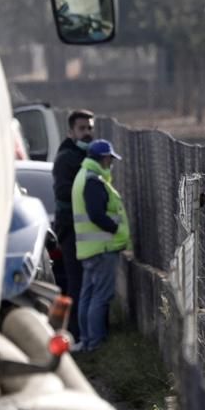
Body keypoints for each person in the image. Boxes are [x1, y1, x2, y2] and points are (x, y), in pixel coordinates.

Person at [72, 139, 131, 352]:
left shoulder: (82, 176)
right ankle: (95, 345)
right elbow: (96, 214)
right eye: (110, 159)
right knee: (101, 296)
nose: (111, 163)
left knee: (87, 295)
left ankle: (87, 341)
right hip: (102, 248)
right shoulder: (93, 180)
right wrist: (115, 229)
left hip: (89, 248)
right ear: (104, 158)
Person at [52, 109, 94, 347]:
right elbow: (63, 192)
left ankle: (80, 334)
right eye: (82, 128)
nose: (87, 132)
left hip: (83, 232)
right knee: (76, 284)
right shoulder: (67, 157)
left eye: (89, 127)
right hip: (71, 231)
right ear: (70, 131)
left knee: (84, 284)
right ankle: (74, 335)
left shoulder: (83, 155)